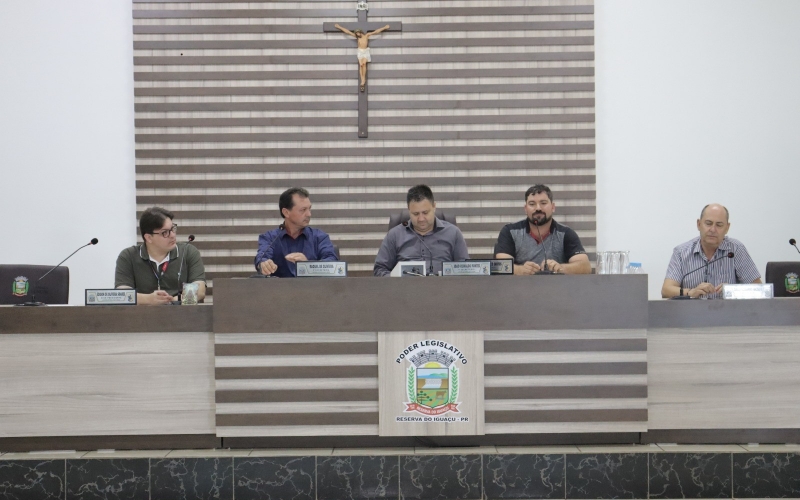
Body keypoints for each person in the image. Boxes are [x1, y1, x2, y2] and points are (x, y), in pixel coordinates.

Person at [662, 203, 761, 299]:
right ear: (699, 224)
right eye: (708, 223)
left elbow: (759, 289)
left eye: (719, 225)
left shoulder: (736, 250)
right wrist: (690, 292)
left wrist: (733, 290)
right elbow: (666, 290)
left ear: (727, 228)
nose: (713, 229)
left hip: (728, 313)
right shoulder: (681, 252)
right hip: (692, 314)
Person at [115, 207, 206, 305]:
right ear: (149, 237)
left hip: (181, 316)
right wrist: (149, 299)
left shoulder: (187, 252)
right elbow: (122, 294)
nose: (172, 235)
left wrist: (174, 300)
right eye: (165, 232)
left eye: (173, 229)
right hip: (142, 317)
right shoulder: (128, 256)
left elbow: (200, 289)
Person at [374, 184, 469, 276]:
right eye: (415, 214)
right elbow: (379, 270)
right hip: (405, 290)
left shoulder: (453, 233)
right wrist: (396, 281)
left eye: (425, 212)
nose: (421, 219)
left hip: (443, 289)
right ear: (409, 211)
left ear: (434, 207)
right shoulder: (395, 235)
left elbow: (465, 270)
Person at [494, 184, 591, 275]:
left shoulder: (565, 233)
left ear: (553, 207)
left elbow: (586, 267)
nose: (538, 208)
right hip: (519, 290)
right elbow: (498, 266)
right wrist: (520, 270)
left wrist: (561, 268)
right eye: (532, 204)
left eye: (543, 203)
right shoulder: (510, 232)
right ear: (525, 209)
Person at [254, 187, 337, 277]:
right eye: (303, 210)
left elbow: (332, 262)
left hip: (313, 289)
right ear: (286, 212)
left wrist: (308, 266)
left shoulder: (319, 237)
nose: (309, 214)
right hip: (279, 290)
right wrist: (264, 264)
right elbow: (262, 257)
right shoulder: (270, 238)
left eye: (309, 209)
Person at [334, 23, 391, 92]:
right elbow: (348, 32)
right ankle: (362, 79)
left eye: (358, 33)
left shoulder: (366, 35)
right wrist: (339, 27)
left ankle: (363, 79)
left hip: (365, 51)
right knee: (361, 65)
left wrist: (384, 28)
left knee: (364, 63)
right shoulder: (357, 37)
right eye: (356, 34)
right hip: (360, 51)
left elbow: (375, 32)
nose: (357, 34)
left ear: (360, 32)